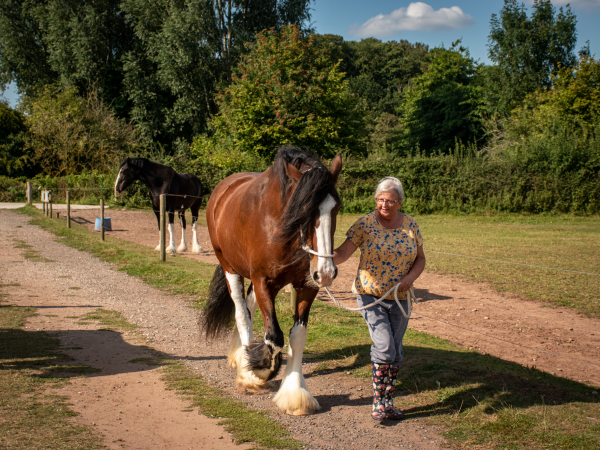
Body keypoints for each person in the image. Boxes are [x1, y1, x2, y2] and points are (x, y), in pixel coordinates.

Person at [333, 176, 425, 421]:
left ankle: (388, 401)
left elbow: (420, 258)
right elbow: (342, 253)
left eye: (390, 201)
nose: (384, 205)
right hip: (370, 296)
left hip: (401, 297)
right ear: (376, 200)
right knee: (384, 347)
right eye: (380, 200)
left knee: (395, 351)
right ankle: (378, 402)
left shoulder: (411, 225)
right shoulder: (364, 224)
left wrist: (410, 279)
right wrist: (323, 259)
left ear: (400, 202)